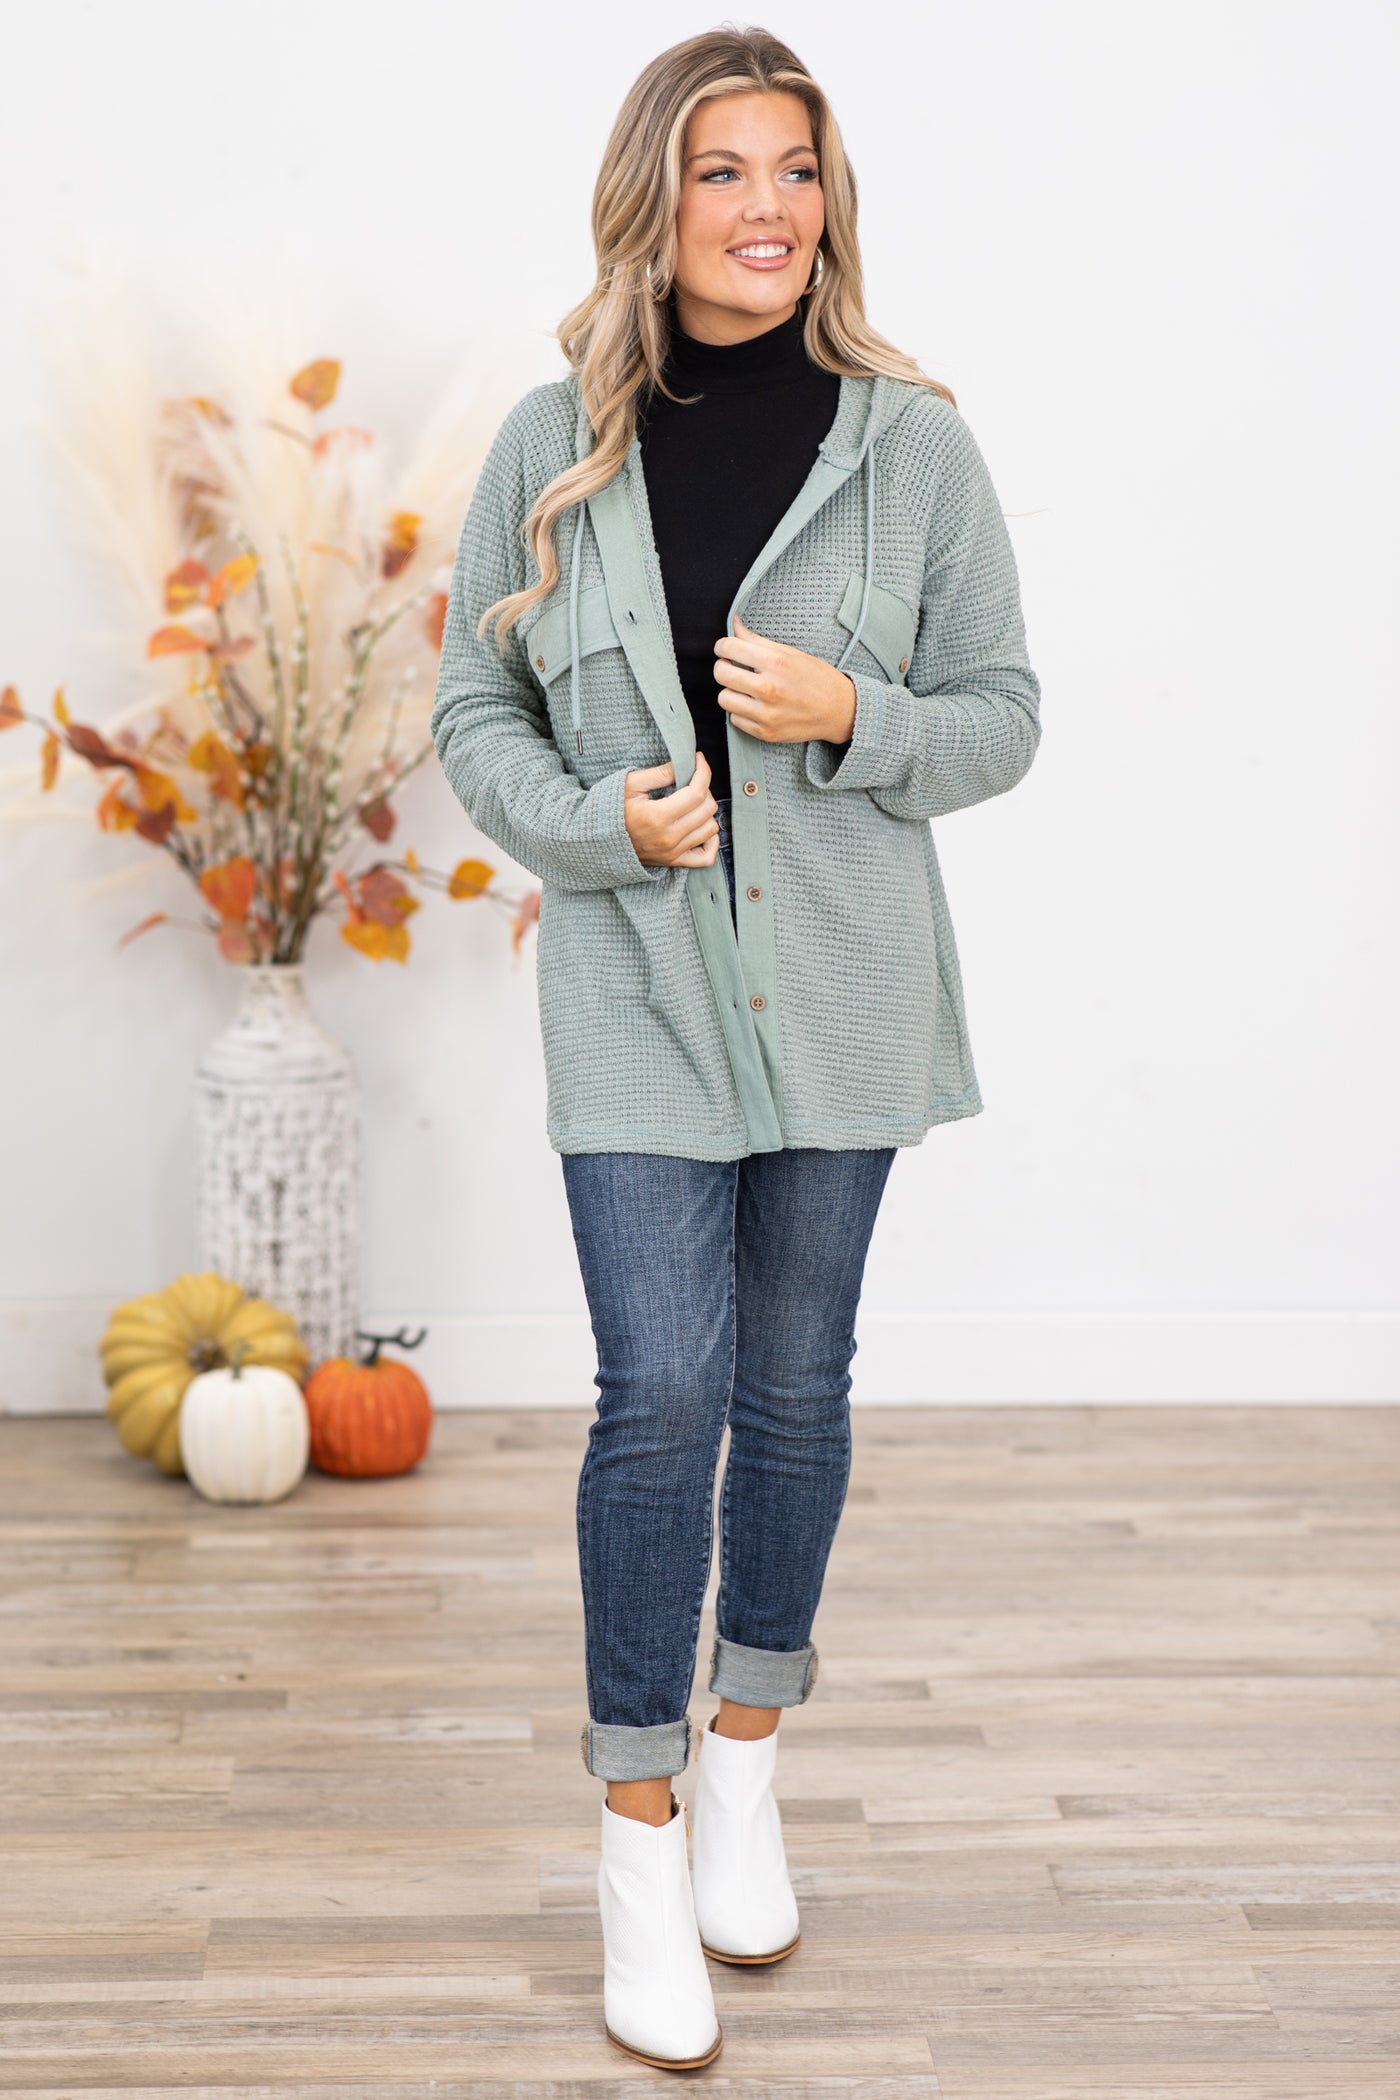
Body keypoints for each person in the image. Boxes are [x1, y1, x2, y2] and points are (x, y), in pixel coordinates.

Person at [430, 26, 1042, 2072]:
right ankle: (636, 1836)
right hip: (633, 985)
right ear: (656, 200)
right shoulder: (550, 439)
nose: (768, 208)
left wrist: (851, 716)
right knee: (660, 1392)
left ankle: (749, 1766)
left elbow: (1004, 712)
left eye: (797, 171)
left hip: (848, 987)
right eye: (725, 172)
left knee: (790, 1388)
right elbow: (473, 712)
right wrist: (595, 822)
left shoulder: (910, 444)